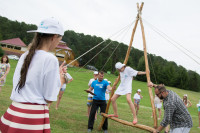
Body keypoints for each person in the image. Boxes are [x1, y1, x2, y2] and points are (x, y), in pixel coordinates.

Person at [0, 18, 64, 132]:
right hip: (31, 118)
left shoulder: (25, 55)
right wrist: (61, 80)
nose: (58, 43)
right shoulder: (51, 59)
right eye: (59, 40)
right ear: (54, 37)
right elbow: (49, 98)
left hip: (13, 112)